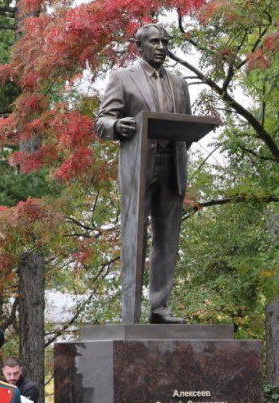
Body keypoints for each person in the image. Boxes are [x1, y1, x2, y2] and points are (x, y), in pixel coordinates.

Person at [95, 23, 192, 324]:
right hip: (138, 164)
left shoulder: (179, 84)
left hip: (172, 165)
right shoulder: (123, 78)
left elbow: (185, 125)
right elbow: (102, 121)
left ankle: (160, 308)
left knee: (167, 239)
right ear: (139, 46)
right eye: (154, 42)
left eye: (165, 42)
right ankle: (131, 313)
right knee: (134, 236)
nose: (161, 47)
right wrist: (116, 126)